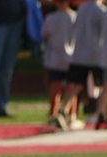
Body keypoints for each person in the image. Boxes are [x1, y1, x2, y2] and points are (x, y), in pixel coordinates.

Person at [67, 0, 107, 124]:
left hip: (80, 53)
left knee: (78, 85)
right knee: (104, 85)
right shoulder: (101, 11)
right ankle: (101, 114)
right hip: (96, 55)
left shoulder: (82, 9)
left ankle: (63, 110)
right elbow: (105, 33)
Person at [41, 0, 81, 128]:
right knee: (71, 87)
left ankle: (53, 114)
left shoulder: (51, 18)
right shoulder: (75, 17)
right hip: (72, 58)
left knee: (55, 87)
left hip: (55, 59)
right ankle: (71, 115)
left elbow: (44, 34)